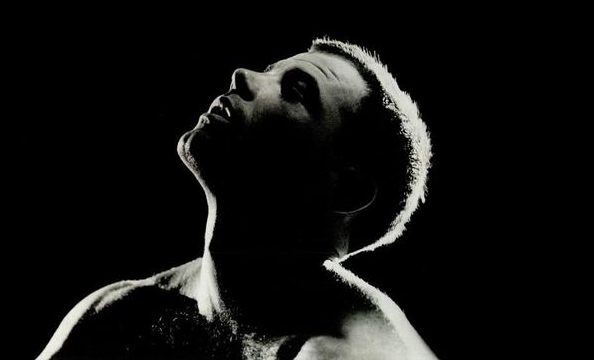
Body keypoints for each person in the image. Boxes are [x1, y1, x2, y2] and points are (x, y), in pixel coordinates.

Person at [37, 38, 437, 360]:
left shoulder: (353, 352)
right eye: (269, 70)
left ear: (346, 190)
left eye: (295, 91)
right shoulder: (121, 313)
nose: (242, 76)